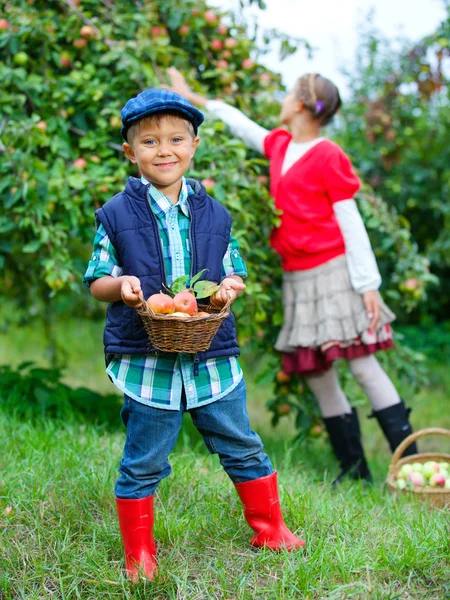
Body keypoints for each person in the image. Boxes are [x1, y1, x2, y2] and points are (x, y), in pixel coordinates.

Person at [83, 89, 305, 582]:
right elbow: (96, 278)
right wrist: (121, 287)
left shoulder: (216, 215)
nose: (164, 150)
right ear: (130, 151)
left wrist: (227, 290)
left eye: (176, 139)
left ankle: (270, 529)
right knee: (143, 461)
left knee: (241, 444)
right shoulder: (115, 214)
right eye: (150, 141)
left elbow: (233, 272)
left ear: (195, 144)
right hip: (148, 363)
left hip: (211, 360)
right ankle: (140, 556)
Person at [165, 67, 418, 485]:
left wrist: (367, 284)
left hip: (334, 272)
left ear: (300, 104)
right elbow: (244, 127)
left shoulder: (328, 154)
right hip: (299, 276)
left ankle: (410, 469)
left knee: (363, 366)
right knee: (318, 373)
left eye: (287, 94)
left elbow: (349, 220)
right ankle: (354, 472)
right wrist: (197, 100)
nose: (281, 100)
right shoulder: (281, 146)